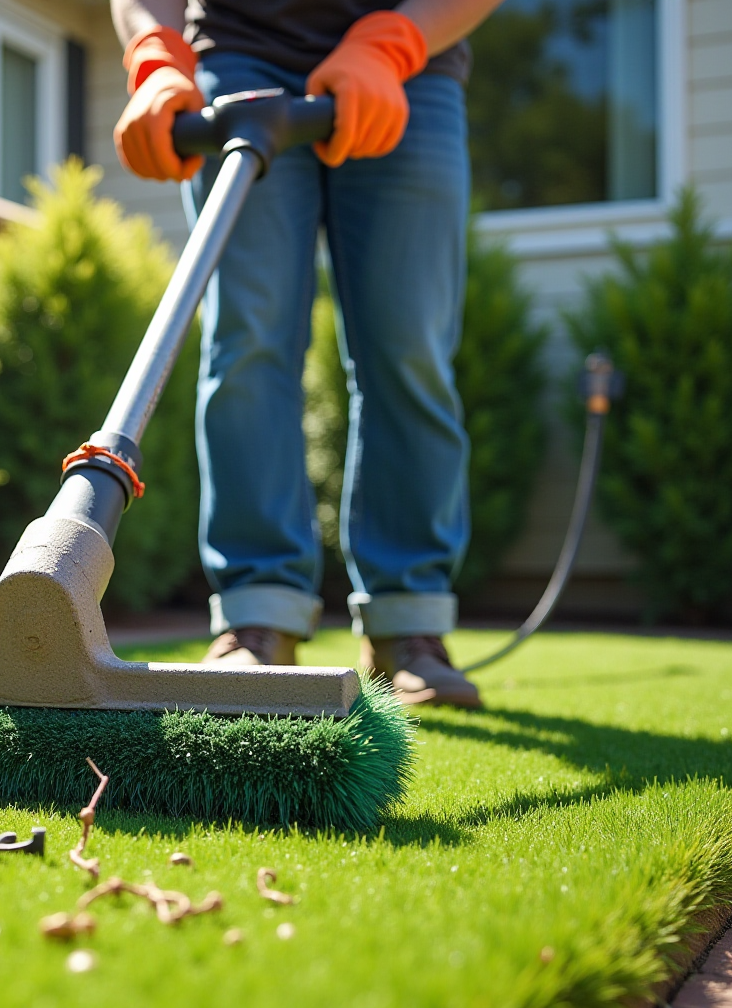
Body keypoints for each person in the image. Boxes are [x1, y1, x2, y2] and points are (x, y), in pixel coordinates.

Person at [111, 0, 504, 707]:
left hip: (412, 67)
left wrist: (394, 40)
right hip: (238, 58)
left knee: (408, 348)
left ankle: (408, 625)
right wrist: (156, 50)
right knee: (247, 344)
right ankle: (258, 619)